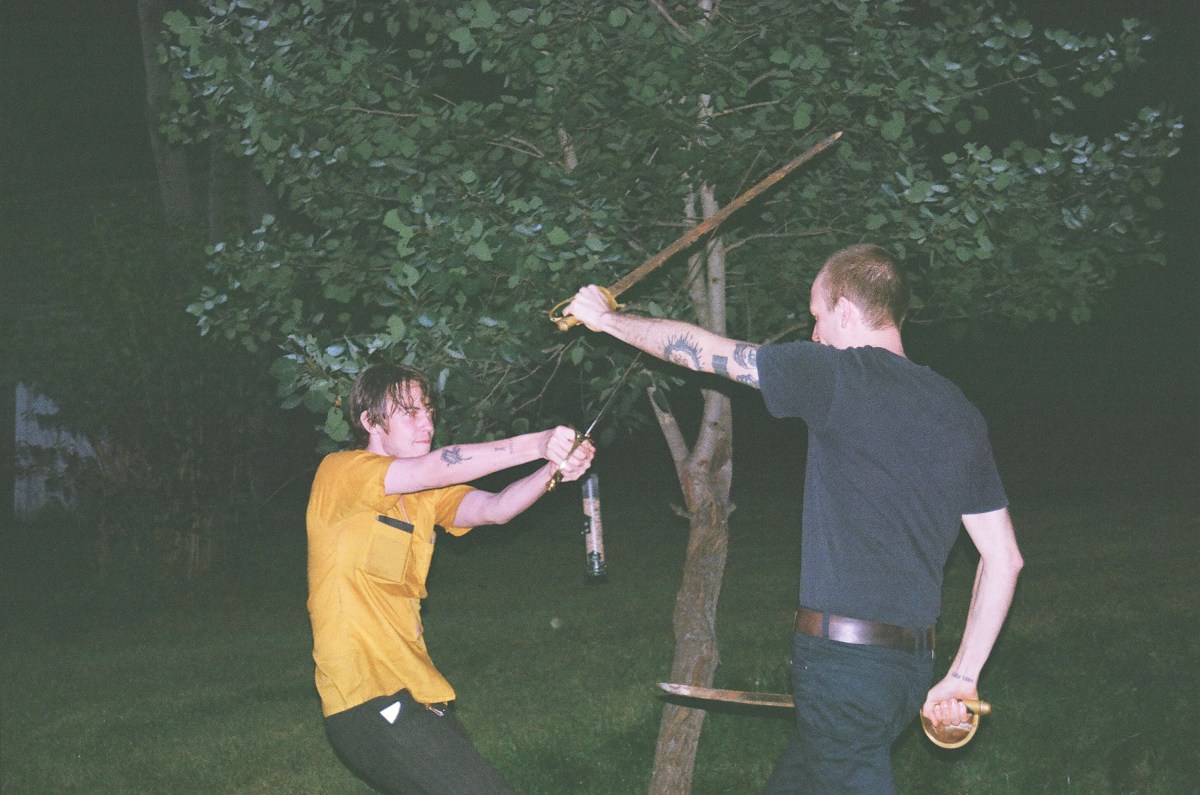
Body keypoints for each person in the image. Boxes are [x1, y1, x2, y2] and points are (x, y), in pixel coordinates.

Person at [565, 243, 1023, 793]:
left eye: (817, 316)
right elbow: (1004, 559)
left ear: (846, 310)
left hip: (843, 667)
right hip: (907, 671)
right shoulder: (957, 410)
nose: (815, 334)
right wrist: (963, 675)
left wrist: (606, 320)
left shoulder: (836, 375)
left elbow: (700, 352)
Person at [306, 362, 595, 794]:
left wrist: (553, 468)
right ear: (370, 421)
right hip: (367, 697)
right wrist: (538, 443)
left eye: (429, 411)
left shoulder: (425, 495)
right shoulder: (341, 473)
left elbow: (495, 509)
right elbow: (437, 466)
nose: (426, 423)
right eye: (409, 412)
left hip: (421, 694)